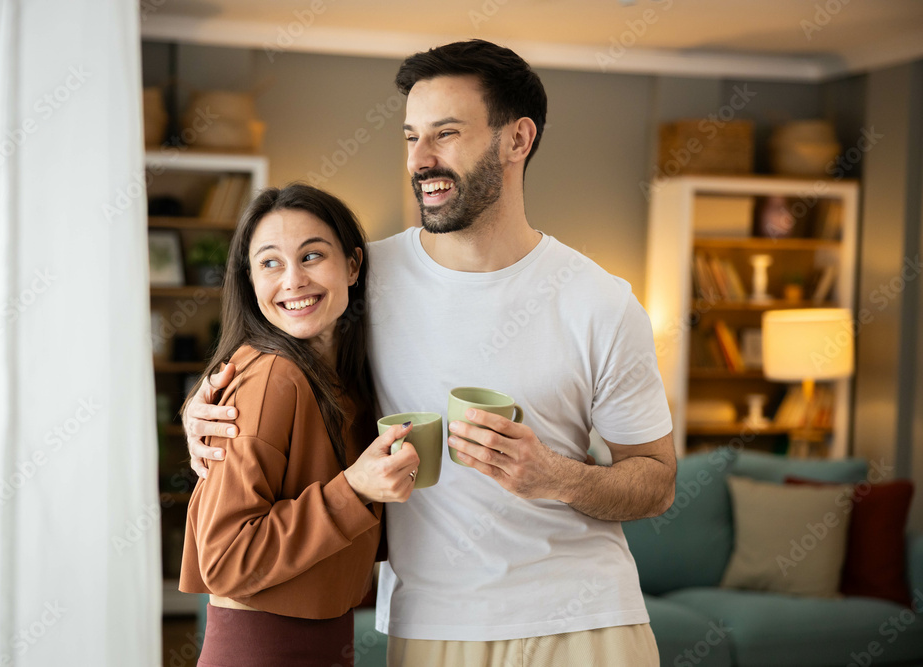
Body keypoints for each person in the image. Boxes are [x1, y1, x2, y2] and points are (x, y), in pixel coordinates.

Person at [185, 40, 676, 666]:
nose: (421, 159)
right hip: (432, 625)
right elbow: (271, 348)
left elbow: (656, 483)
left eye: (446, 133)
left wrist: (553, 476)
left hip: (585, 621)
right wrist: (198, 412)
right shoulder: (361, 276)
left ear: (517, 139)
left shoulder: (602, 303)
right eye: (411, 137)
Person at [178, 183, 421, 667]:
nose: (292, 280)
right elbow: (227, 559)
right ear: (250, 281)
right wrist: (353, 489)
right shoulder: (274, 377)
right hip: (263, 650)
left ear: (352, 266)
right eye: (270, 263)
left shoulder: (344, 378)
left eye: (311, 256)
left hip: (321, 643)